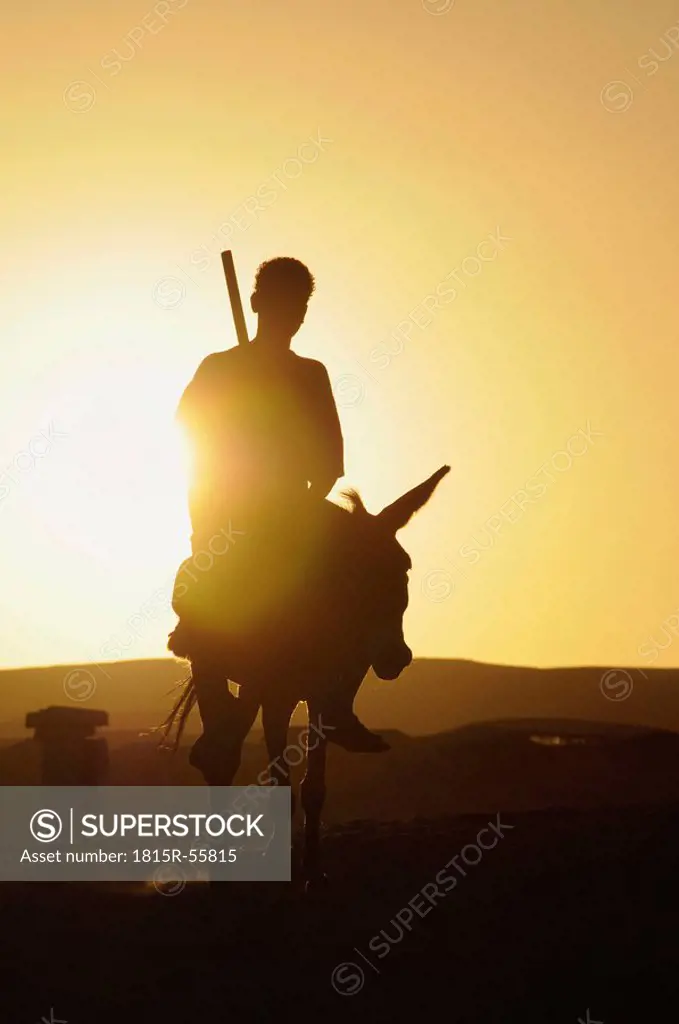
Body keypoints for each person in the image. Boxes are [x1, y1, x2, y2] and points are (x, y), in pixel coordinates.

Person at [175, 256, 388, 755]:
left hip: (295, 514)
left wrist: (304, 499)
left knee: (375, 569)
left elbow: (332, 459)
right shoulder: (220, 367)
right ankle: (219, 713)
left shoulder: (311, 374)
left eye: (300, 305)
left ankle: (337, 702)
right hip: (229, 513)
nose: (292, 314)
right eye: (282, 303)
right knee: (197, 593)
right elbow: (188, 428)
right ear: (256, 304)